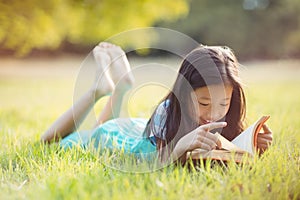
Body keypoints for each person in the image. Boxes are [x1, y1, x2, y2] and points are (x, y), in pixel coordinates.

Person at [41, 42, 273, 164]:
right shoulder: (168, 113)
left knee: (108, 123)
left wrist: (253, 143)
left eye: (223, 104)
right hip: (117, 141)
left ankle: (120, 87)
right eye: (203, 103)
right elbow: (150, 162)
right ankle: (99, 89)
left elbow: (229, 147)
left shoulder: (225, 115)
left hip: (135, 130)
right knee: (49, 141)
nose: (214, 114)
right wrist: (179, 148)